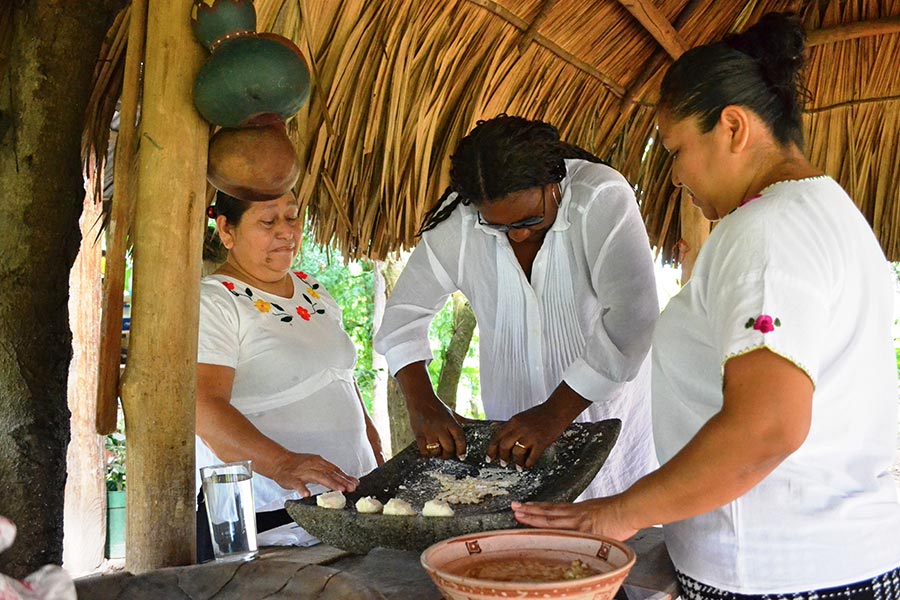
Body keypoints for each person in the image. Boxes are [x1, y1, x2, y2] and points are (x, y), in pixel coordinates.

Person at [513, 12, 900, 597]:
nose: (675, 176)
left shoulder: (769, 231)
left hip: (781, 573)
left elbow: (768, 426)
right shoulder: (827, 211)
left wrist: (617, 513)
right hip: (828, 560)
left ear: (734, 128)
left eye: (676, 149)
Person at [373, 114, 659, 499]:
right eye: (498, 227)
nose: (519, 235)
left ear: (553, 181)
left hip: (609, 428)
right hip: (512, 444)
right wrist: (423, 402)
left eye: (531, 219)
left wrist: (553, 414)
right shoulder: (459, 222)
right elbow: (401, 319)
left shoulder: (599, 198)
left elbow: (633, 319)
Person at [195, 190, 383, 562]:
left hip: (349, 508)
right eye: (268, 222)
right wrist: (283, 463)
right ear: (227, 231)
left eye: (292, 217)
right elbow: (202, 406)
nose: (286, 232)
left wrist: (375, 455)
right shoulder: (215, 301)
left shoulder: (313, 290)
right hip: (271, 523)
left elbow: (339, 380)